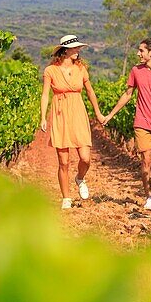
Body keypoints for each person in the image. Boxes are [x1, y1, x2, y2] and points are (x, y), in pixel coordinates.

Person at [101, 37, 151, 210]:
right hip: (141, 123)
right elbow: (127, 95)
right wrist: (110, 115)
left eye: (141, 50)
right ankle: (149, 196)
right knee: (145, 160)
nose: (138, 53)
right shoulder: (136, 71)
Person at [40, 35, 105, 209]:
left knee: (85, 157)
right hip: (60, 112)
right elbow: (45, 94)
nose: (78, 51)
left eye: (78, 48)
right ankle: (66, 198)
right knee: (63, 161)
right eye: (75, 48)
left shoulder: (81, 69)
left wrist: (98, 113)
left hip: (78, 111)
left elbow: (90, 93)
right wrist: (42, 117)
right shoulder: (50, 71)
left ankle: (80, 178)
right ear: (66, 50)